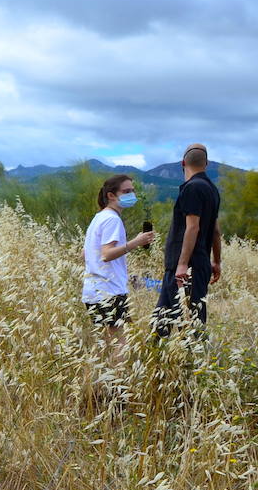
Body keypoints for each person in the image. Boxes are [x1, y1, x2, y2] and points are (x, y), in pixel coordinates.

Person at [154, 144, 222, 336]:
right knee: (168, 318)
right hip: (199, 264)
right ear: (206, 164)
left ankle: (189, 362)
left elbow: (193, 227)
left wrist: (182, 265)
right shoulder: (212, 189)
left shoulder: (192, 188)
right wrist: (216, 261)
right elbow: (215, 231)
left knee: (186, 322)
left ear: (183, 163)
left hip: (184, 268)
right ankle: (160, 361)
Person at [82, 174, 154, 356]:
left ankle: (101, 383)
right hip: (109, 291)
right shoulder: (112, 219)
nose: (132, 195)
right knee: (120, 344)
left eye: (133, 191)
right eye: (126, 191)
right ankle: (118, 383)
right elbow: (106, 254)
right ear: (111, 195)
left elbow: (85, 253)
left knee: (106, 345)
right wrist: (136, 242)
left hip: (93, 291)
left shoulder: (98, 217)